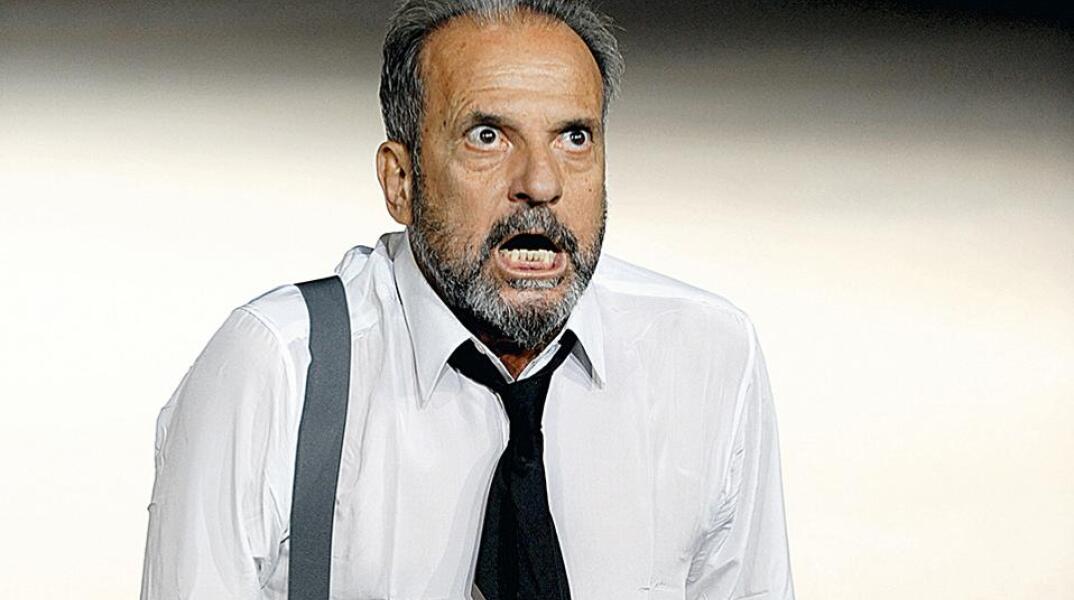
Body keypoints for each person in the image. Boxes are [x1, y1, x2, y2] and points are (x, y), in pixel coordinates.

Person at [140, 1, 795, 598]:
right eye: (488, 137)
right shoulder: (277, 369)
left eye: (574, 138)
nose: (540, 182)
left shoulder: (706, 357)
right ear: (401, 181)